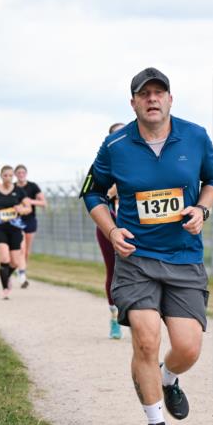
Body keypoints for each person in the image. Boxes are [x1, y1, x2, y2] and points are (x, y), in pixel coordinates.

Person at [83, 67, 213, 425]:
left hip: (183, 257)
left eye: (159, 93)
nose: (152, 99)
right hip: (136, 257)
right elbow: (92, 193)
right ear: (133, 103)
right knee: (146, 340)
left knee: (188, 348)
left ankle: (168, 378)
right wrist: (112, 231)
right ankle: (156, 424)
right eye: (144, 94)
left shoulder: (194, 136)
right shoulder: (116, 145)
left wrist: (202, 209)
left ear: (170, 99)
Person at [92, 122, 126, 339]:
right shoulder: (104, 167)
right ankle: (114, 317)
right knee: (113, 272)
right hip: (110, 225)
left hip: (139, 226)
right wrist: (114, 190)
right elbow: (94, 197)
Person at [0, 165, 32, 300]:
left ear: (13, 176)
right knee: (4, 258)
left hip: (15, 228)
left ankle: (6, 275)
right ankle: (5, 289)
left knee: (15, 262)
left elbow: (28, 208)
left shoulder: (19, 191)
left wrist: (21, 209)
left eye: (10, 175)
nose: (8, 178)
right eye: (5, 175)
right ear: (1, 176)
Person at [14, 164, 45, 288]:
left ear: (26, 174)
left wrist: (29, 201)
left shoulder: (33, 186)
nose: (21, 175)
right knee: (21, 248)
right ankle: (22, 274)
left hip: (30, 220)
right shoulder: (13, 187)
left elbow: (43, 202)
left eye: (23, 172)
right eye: (19, 173)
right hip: (17, 221)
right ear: (16, 174)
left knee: (26, 250)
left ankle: (22, 270)